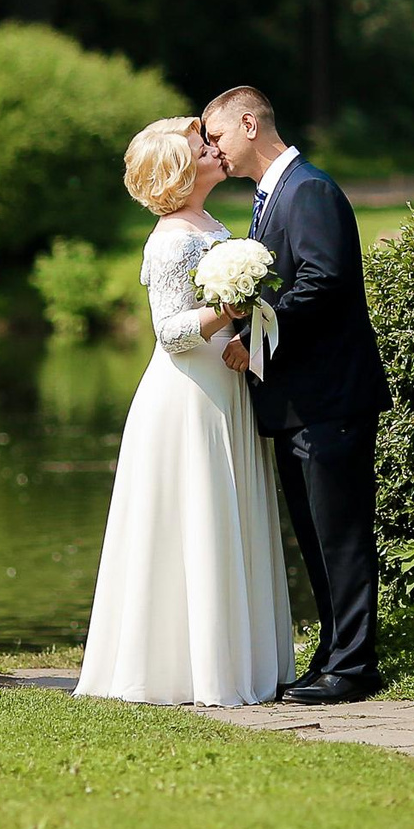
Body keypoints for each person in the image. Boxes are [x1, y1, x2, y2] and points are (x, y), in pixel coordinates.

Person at [72, 118, 296, 706]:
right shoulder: (172, 239)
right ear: (178, 168)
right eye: (202, 146)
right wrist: (230, 307)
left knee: (227, 514)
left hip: (225, 386)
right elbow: (171, 332)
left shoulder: (210, 224)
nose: (214, 149)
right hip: (189, 396)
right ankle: (184, 668)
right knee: (193, 518)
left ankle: (239, 659)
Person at [201, 85, 391, 704]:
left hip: (330, 395)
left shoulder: (308, 190)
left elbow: (324, 281)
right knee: (315, 535)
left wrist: (253, 333)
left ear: (250, 125)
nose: (214, 150)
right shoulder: (272, 196)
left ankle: (355, 667)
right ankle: (335, 655)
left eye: (218, 137)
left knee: (341, 535)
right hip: (297, 400)